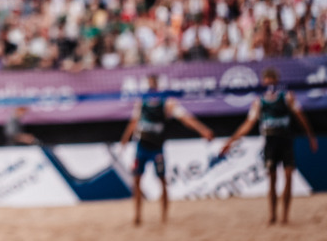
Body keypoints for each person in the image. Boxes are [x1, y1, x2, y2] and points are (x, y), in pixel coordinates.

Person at [220, 67, 318, 225]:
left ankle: (285, 216)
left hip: (285, 140)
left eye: (271, 83)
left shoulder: (286, 97)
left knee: (288, 176)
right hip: (270, 142)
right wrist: (231, 142)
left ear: (276, 82)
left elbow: (301, 117)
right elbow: (248, 124)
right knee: (272, 178)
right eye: (266, 83)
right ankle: (272, 215)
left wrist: (311, 136)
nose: (269, 86)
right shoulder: (259, 101)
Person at [119, 73, 214, 225]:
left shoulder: (167, 102)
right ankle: (137, 216)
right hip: (141, 146)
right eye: (149, 84)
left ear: (157, 86)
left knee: (162, 181)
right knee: (136, 181)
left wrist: (202, 130)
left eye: (153, 84)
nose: (151, 87)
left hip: (156, 148)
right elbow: (133, 122)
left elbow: (185, 118)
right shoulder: (142, 102)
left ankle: (164, 217)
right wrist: (124, 140)